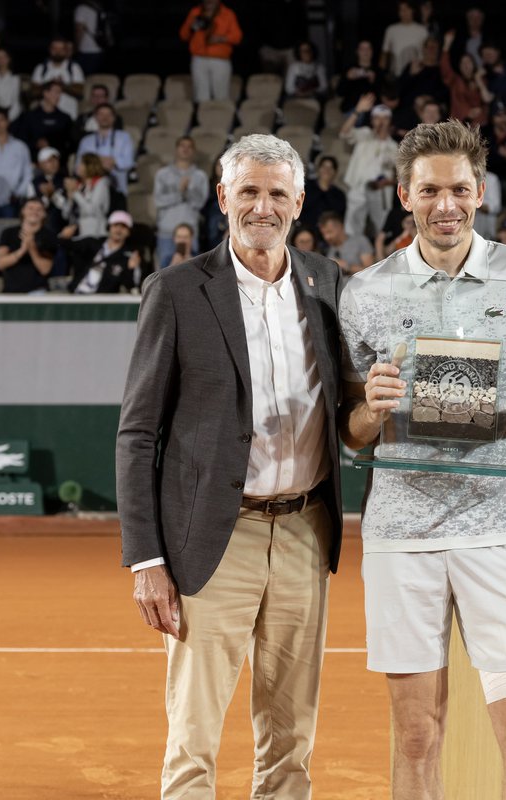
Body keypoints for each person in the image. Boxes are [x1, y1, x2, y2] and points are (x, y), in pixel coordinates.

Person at [337, 119, 506, 800]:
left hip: (498, 531)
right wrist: (372, 410)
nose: (445, 204)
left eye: (458, 189)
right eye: (429, 189)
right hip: (402, 537)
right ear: (405, 194)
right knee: (416, 734)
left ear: (481, 191)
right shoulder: (364, 292)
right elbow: (353, 433)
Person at [116, 133, 343, 799]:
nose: (262, 206)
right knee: (194, 740)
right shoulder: (178, 290)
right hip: (215, 535)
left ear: (298, 202)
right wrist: (146, 560)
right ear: (223, 198)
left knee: (291, 738)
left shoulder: (329, 284)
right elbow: (137, 433)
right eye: (249, 191)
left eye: (277, 193)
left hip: (306, 531)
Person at [340, 97, 398, 237]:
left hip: (382, 191)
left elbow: (400, 175)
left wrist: (388, 182)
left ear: (390, 121)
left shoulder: (395, 146)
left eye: (385, 118)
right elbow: (344, 133)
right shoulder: (364, 134)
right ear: (372, 121)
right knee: (352, 226)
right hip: (359, 186)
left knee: (382, 229)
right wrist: (357, 111)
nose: (381, 122)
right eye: (377, 118)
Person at [153, 136, 208, 268]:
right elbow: (159, 200)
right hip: (166, 232)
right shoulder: (162, 174)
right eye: (182, 146)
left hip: (190, 234)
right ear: (176, 149)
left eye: (189, 146)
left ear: (193, 151)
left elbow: (200, 203)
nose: (185, 149)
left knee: (192, 275)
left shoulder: (200, 176)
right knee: (164, 274)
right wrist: (179, 192)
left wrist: (186, 192)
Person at [180, 0, 243, 102]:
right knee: (201, 96)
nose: (209, 2)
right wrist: (191, 27)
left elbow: (237, 37)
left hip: (220, 60)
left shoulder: (227, 13)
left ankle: (221, 118)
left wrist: (221, 38)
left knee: (221, 95)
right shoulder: (195, 12)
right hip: (199, 59)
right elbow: (183, 35)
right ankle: (203, 117)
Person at [70, 210, 142, 294]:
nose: (119, 230)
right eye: (115, 225)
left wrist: (130, 269)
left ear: (129, 231)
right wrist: (64, 237)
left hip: (102, 302)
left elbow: (132, 288)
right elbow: (65, 245)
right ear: (109, 227)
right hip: (75, 296)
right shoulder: (92, 244)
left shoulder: (129, 256)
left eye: (123, 226)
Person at [0, 197, 57, 293]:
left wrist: (32, 247)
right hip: (10, 291)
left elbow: (45, 269)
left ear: (44, 214)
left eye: (39, 209)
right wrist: (22, 250)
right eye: (30, 208)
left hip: (37, 291)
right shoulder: (8, 233)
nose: (34, 212)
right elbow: (0, 264)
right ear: (23, 211)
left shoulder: (49, 236)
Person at [76, 102, 134, 195]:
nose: (105, 117)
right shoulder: (86, 141)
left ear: (114, 118)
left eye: (108, 114)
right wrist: (98, 164)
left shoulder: (124, 137)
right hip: (91, 191)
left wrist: (113, 161)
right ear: (95, 117)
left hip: (117, 189)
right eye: (101, 114)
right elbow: (78, 166)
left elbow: (129, 162)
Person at [12, 82, 75, 159]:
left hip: (57, 160)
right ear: (45, 93)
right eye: (56, 92)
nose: (58, 96)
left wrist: (51, 144)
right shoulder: (30, 116)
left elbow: (70, 143)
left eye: (60, 93)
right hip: (33, 160)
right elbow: (21, 138)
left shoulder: (65, 118)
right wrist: (36, 143)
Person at [30, 38, 85, 118]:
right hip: (44, 116)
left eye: (61, 49)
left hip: (69, 115)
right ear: (50, 50)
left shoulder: (74, 67)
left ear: (66, 51)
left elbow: (80, 91)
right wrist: (50, 85)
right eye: (54, 48)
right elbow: (33, 92)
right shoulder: (41, 68)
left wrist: (61, 85)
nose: (57, 51)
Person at [318, 210, 373, 274]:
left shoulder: (360, 241)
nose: (326, 237)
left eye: (329, 232)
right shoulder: (328, 249)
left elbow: (370, 272)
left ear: (340, 227)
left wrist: (347, 267)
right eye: (323, 234)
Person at [299, 155, 347, 230]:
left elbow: (340, 217)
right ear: (318, 169)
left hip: (329, 235)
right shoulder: (306, 187)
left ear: (335, 172)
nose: (327, 170)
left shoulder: (339, 195)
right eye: (324, 166)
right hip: (305, 231)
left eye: (330, 168)